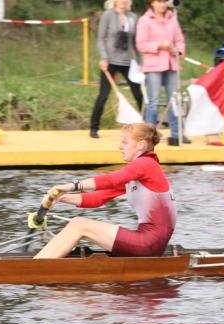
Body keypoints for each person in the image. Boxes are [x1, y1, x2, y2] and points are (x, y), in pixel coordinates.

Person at [34, 123, 177, 259]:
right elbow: (98, 198)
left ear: (140, 145)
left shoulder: (146, 163)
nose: (120, 146)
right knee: (78, 224)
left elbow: (112, 179)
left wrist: (71, 186)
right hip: (151, 243)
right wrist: (61, 198)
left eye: (125, 142)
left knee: (79, 224)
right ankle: (38, 263)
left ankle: (35, 267)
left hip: (149, 243)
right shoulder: (141, 172)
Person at [136, 0, 188, 145]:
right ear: (151, 3)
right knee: (153, 101)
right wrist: (159, 45)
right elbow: (141, 44)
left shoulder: (173, 18)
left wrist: (178, 51)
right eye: (159, 1)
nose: (162, 4)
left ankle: (177, 134)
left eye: (164, 1)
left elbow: (180, 40)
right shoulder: (144, 20)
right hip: (153, 66)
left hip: (171, 64)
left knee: (175, 100)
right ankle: (148, 137)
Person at [90, 0, 143, 139]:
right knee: (103, 95)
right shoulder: (108, 15)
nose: (123, 1)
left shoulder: (133, 17)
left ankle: (148, 126)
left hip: (127, 62)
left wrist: (141, 62)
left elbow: (135, 42)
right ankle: (94, 127)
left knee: (139, 94)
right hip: (110, 62)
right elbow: (100, 39)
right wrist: (104, 58)